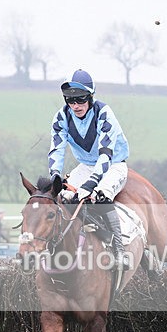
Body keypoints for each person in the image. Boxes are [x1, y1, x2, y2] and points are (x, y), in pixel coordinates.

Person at [48, 69, 131, 267]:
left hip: (113, 165)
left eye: (80, 100)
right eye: (70, 101)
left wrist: (91, 184)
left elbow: (106, 154)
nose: (75, 106)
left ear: (91, 98)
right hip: (86, 165)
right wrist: (55, 176)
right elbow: (56, 150)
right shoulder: (61, 117)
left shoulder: (104, 113)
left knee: (100, 196)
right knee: (64, 198)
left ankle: (119, 251)